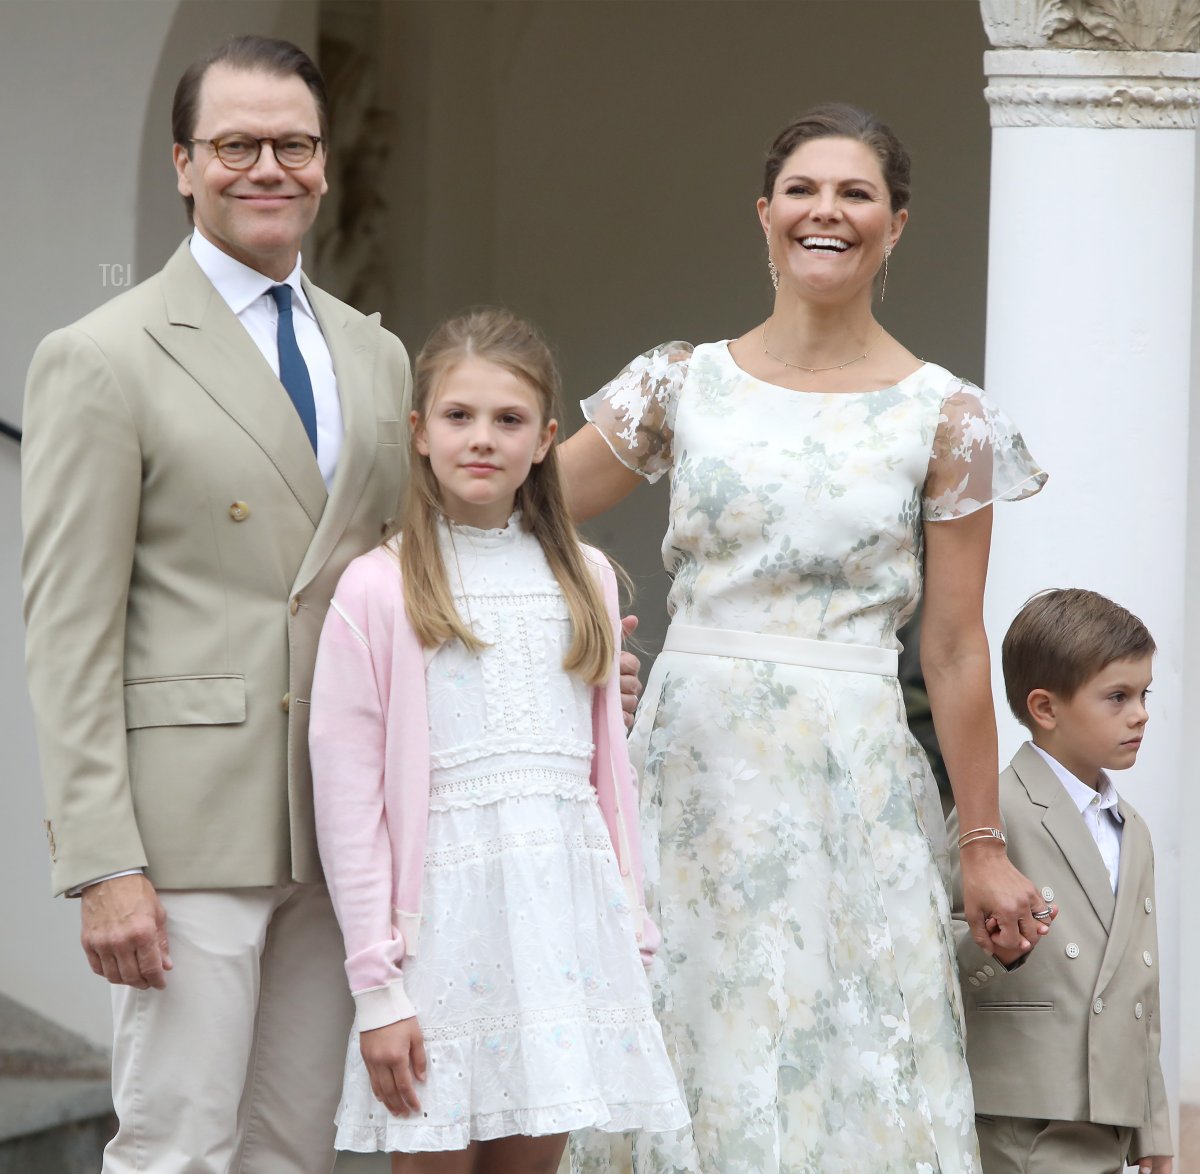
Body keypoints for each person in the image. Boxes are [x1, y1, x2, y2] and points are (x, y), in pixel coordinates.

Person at [559, 102, 1050, 1172]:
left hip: (853, 776)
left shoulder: (946, 415)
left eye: (856, 193)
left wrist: (981, 843)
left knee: (852, 1047)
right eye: (804, 190)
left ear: (897, 225)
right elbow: (516, 521)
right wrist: (590, 649)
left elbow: (958, 647)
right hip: (691, 769)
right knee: (687, 1028)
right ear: (766, 214)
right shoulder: (681, 383)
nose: (827, 210)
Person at [19, 35, 413, 1173]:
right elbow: (69, 629)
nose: (268, 168)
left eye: (293, 144)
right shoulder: (102, 354)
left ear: (326, 165)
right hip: (183, 833)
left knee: (296, 1146)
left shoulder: (375, 356)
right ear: (183, 164)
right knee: (178, 1143)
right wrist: (103, 860)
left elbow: (399, 578)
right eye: (236, 144)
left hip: (340, 821)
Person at [308, 309, 691, 1173]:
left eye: (509, 420)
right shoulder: (376, 589)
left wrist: (630, 925)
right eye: (459, 416)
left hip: (562, 927)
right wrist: (378, 988)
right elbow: (347, 800)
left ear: (547, 439)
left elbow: (606, 781)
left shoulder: (583, 577)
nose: (483, 439)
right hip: (440, 939)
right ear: (419, 433)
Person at [950, 589, 1171, 1174]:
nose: (1141, 712)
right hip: (1024, 1110)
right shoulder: (990, 811)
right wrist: (995, 947)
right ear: (1045, 708)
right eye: (1118, 696)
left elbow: (1139, 994)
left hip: (1108, 1113)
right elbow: (931, 948)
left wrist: (1152, 1127)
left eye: (1144, 693)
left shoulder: (1135, 831)